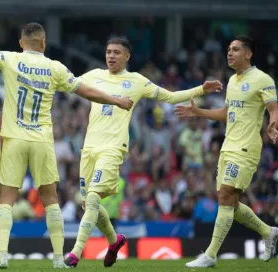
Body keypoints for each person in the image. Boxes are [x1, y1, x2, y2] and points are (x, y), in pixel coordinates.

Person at [0, 22, 133, 269]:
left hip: (14, 140)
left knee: (6, 198)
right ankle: (58, 258)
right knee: (50, 199)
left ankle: (2, 255)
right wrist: (115, 100)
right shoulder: (55, 67)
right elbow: (86, 91)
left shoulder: (10, 58)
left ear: (21, 42)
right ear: (44, 43)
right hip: (42, 141)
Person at [63, 37, 223, 268]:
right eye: (108, 51)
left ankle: (76, 253)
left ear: (127, 56)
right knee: (90, 205)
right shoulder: (93, 75)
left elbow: (169, 96)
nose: (111, 56)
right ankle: (114, 240)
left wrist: (201, 88)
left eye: (117, 52)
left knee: (93, 198)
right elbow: (69, 84)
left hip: (113, 148)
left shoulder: (136, 81)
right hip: (89, 148)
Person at [175, 35, 278, 268]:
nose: (229, 53)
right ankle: (268, 232)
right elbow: (226, 112)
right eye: (229, 49)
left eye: (235, 49)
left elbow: (273, 107)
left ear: (248, 53)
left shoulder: (262, 79)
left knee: (225, 196)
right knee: (229, 201)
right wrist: (199, 112)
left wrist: (273, 123)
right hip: (227, 147)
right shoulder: (232, 80)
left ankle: (210, 255)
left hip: (246, 148)